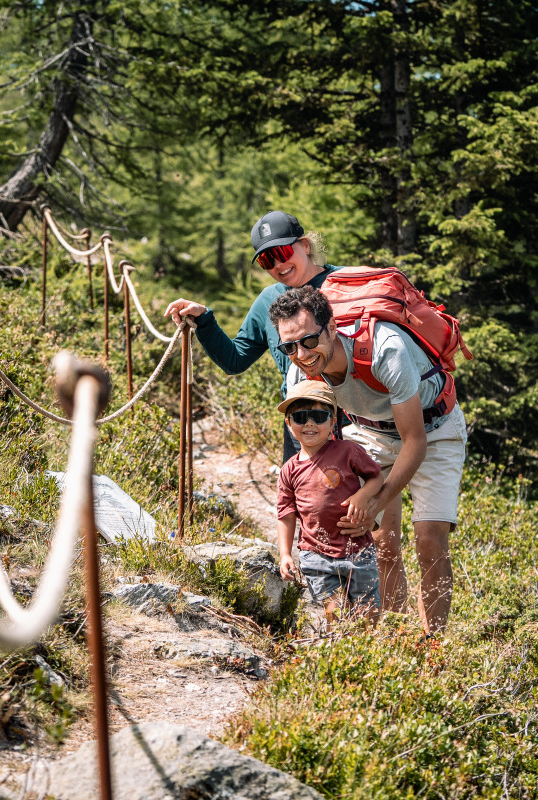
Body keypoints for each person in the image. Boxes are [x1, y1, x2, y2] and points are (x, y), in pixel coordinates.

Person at [268, 286, 468, 637]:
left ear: (331, 328)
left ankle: (433, 644)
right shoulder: (300, 373)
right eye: (290, 346)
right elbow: (311, 441)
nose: (301, 354)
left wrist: (374, 497)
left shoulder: (385, 350)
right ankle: (393, 638)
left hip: (434, 429)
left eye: (309, 340)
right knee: (380, 540)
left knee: (429, 539)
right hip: (368, 431)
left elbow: (415, 441)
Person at [165, 211, 336, 462]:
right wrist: (204, 319)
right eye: (267, 260)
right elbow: (235, 360)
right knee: (302, 498)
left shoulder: (344, 283)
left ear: (305, 245)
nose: (278, 265)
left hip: (352, 420)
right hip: (301, 422)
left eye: (283, 253)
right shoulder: (269, 300)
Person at [276, 380, 383, 625]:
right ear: (288, 422)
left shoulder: (348, 451)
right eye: (301, 416)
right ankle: (340, 651)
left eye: (319, 416)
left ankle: (370, 655)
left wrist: (361, 496)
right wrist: (285, 554)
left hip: (358, 550)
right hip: (316, 554)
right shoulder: (289, 470)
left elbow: (376, 477)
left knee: (368, 615)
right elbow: (285, 513)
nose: (310, 423)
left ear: (333, 421)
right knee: (333, 611)